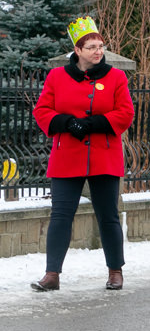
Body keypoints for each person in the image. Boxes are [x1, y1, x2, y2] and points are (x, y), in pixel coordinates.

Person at [31, 17, 135, 292]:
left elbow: (125, 113)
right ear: (77, 51)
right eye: (91, 47)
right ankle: (51, 274)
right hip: (67, 156)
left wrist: (93, 124)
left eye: (100, 46)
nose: (98, 51)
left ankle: (115, 271)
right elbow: (42, 111)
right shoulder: (56, 77)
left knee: (108, 216)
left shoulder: (116, 77)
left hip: (104, 157)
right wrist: (67, 122)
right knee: (61, 216)